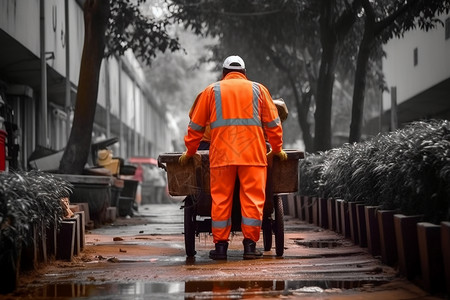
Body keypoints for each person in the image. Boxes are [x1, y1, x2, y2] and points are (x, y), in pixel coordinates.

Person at [179, 55, 287, 260]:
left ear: (223, 73)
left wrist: (191, 151)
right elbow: (274, 125)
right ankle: (249, 246)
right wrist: (277, 148)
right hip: (253, 156)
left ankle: (220, 247)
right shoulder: (259, 90)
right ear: (244, 74)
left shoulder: (211, 91)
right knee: (253, 200)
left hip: (222, 156)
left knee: (220, 200)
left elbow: (195, 127)